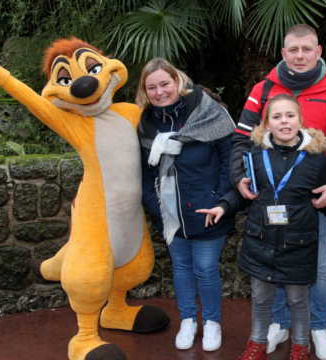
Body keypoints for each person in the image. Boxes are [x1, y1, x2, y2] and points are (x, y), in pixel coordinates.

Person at [199, 94, 326, 359]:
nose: (284, 121)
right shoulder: (256, 155)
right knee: (260, 299)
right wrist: (223, 207)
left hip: (298, 245)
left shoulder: (316, 159)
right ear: (267, 123)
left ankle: (300, 347)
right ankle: (256, 344)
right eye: (277, 116)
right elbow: (246, 193)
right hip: (260, 242)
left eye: (290, 116)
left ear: (301, 121)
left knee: (297, 300)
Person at [229, 24, 326, 359]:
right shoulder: (263, 89)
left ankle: (317, 326)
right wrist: (239, 176)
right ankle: (279, 323)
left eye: (307, 49)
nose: (300, 56)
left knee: (316, 265)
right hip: (273, 199)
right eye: (293, 50)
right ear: (283, 53)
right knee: (273, 258)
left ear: (319, 51)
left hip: (314, 198)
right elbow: (240, 140)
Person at [137, 57, 236, 352]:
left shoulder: (208, 112)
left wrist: (219, 200)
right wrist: (159, 207)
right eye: (151, 87)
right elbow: (143, 174)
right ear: (145, 91)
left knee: (205, 269)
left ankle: (212, 323)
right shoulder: (145, 124)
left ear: (178, 82)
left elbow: (230, 161)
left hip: (208, 211)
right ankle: (188, 320)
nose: (160, 92)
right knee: (180, 268)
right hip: (170, 215)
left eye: (165, 83)